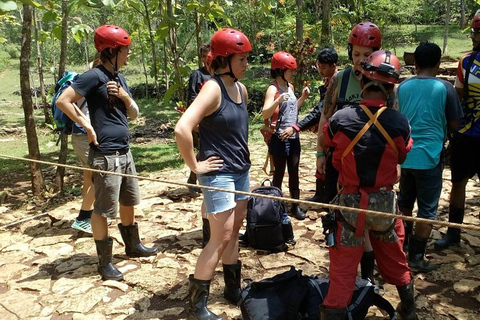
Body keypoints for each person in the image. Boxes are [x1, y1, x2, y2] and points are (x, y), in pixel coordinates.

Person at [318, 50, 417, 320]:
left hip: (349, 206)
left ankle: (335, 312)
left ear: (363, 82)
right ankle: (408, 309)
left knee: (342, 268)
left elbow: (329, 145)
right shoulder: (400, 122)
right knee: (396, 259)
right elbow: (402, 153)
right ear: (390, 89)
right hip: (384, 205)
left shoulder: (341, 119)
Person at [56, 25, 158, 281]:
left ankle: (133, 245)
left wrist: (124, 96)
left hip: (124, 151)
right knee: (102, 208)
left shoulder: (119, 78)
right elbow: (63, 101)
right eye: (126, 50)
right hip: (105, 154)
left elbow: (134, 113)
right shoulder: (93, 76)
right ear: (112, 51)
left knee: (128, 200)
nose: (129, 54)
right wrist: (88, 126)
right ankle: (105, 263)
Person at [175, 28, 251, 319]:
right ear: (225, 59)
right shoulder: (212, 88)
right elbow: (183, 128)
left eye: (247, 58)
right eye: (241, 59)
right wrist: (194, 166)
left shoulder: (241, 90)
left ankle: (233, 288)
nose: (246, 64)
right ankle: (197, 306)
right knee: (220, 237)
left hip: (240, 171)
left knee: (234, 235)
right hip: (219, 174)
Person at [316, 22, 382, 282]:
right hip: (338, 161)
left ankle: (366, 277)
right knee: (336, 214)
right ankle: (340, 270)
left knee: (366, 222)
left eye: (367, 55)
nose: (361, 60)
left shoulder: (385, 80)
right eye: (356, 55)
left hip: (369, 166)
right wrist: (321, 154)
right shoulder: (340, 80)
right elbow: (325, 115)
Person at [397, 42, 463, 272]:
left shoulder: (402, 87)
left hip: (405, 157)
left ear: (414, 63)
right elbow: (455, 123)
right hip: (431, 158)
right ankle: (416, 256)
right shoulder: (445, 88)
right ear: (438, 63)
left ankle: (401, 246)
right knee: (426, 210)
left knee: (404, 203)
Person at [435, 12, 480, 250]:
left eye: (477, 32)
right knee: (458, 182)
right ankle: (453, 231)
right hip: (468, 133)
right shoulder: (466, 61)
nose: (473, 36)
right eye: (473, 31)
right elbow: (458, 95)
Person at [281, 47, 338, 203]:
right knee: (322, 158)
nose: (320, 70)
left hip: (336, 131)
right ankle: (320, 194)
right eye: (319, 66)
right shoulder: (329, 81)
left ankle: (328, 198)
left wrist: (297, 127)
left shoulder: (337, 82)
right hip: (326, 129)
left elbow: (320, 111)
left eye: (323, 67)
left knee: (330, 162)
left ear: (333, 66)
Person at [261, 51, 310, 220]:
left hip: (293, 137)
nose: (292, 73)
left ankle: (295, 206)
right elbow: (265, 113)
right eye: (290, 70)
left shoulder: (290, 87)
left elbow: (292, 109)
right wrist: (277, 100)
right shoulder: (273, 89)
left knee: (294, 172)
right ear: (280, 71)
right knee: (279, 174)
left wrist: (302, 98)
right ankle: (276, 207)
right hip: (279, 138)